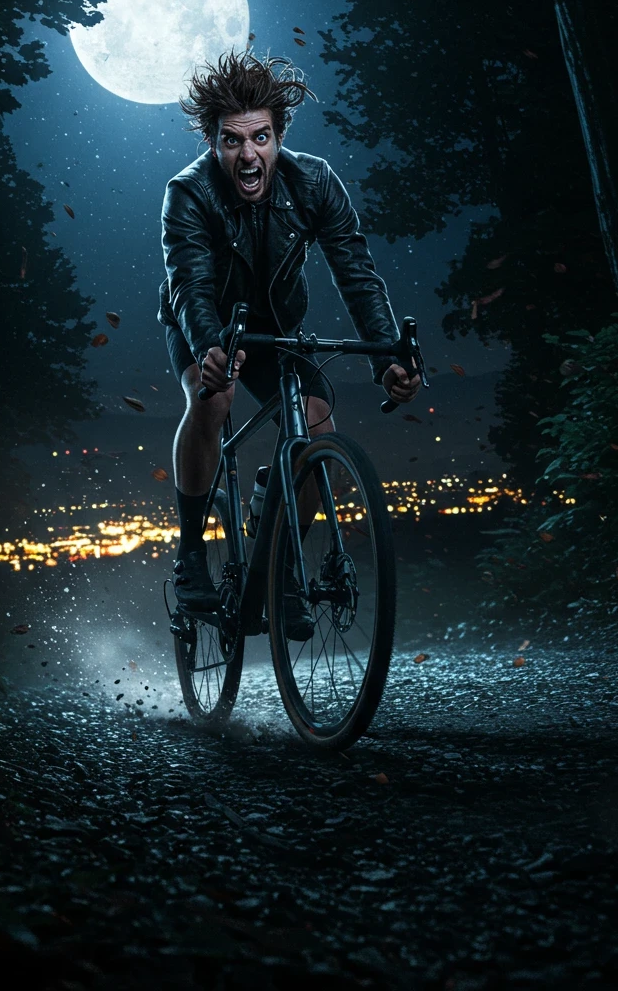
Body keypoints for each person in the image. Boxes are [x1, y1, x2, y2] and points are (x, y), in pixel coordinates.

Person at [158, 50, 421, 638]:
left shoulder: (315, 182)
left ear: (279, 135)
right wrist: (209, 347)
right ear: (213, 142)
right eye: (232, 141)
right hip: (202, 322)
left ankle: (282, 571)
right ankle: (192, 553)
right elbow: (190, 285)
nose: (247, 154)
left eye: (260, 137)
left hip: (277, 328)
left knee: (316, 425)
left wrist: (388, 360)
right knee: (213, 399)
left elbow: (356, 272)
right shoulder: (189, 193)